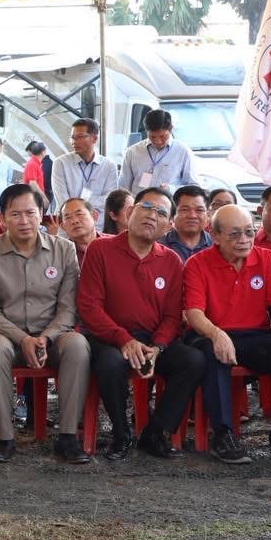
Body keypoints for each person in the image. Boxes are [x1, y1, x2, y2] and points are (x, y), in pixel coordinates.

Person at [78, 187, 204, 460]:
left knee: (193, 360)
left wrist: (158, 347)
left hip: (151, 340)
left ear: (168, 226)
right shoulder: (100, 249)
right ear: (130, 211)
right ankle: (121, 432)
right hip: (108, 338)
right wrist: (124, 340)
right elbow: (89, 307)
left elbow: (172, 316)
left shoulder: (171, 260)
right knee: (110, 364)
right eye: (146, 207)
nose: (152, 215)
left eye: (161, 212)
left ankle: (155, 433)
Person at [0, 183, 89, 463]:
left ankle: (68, 437)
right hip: (4, 334)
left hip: (53, 335)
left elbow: (68, 308)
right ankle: (5, 438)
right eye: (15, 214)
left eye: (30, 213)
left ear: (41, 215)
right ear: (2, 218)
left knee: (78, 345)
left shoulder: (64, 250)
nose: (24, 221)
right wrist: (22, 339)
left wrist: (45, 338)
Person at [182, 204, 271, 464]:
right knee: (212, 354)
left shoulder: (267, 259)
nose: (244, 240)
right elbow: (194, 313)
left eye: (249, 232)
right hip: (209, 332)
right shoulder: (197, 263)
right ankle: (223, 434)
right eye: (234, 234)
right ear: (215, 236)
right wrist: (216, 334)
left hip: (254, 333)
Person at [51, 118, 119, 232]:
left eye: (80, 137)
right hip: (68, 227)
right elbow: (63, 200)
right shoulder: (61, 163)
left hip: (97, 227)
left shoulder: (108, 166)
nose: (74, 142)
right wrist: (90, 205)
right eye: (72, 137)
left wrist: (81, 206)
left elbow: (109, 199)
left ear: (94, 138)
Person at [118, 107, 198, 193]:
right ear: (146, 131)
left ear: (170, 130)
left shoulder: (183, 151)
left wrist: (171, 189)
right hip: (139, 200)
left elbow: (194, 187)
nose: (158, 141)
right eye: (152, 137)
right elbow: (123, 187)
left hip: (169, 200)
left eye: (163, 136)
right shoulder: (132, 152)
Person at [160, 184, 213, 263]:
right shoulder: (159, 245)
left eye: (199, 210)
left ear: (208, 215)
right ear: (173, 214)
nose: (192, 216)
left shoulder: (218, 246)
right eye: (185, 209)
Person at [58, 197, 100, 267]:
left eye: (79, 214)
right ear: (63, 226)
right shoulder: (60, 254)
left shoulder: (113, 244)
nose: (74, 221)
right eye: (68, 217)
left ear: (94, 216)